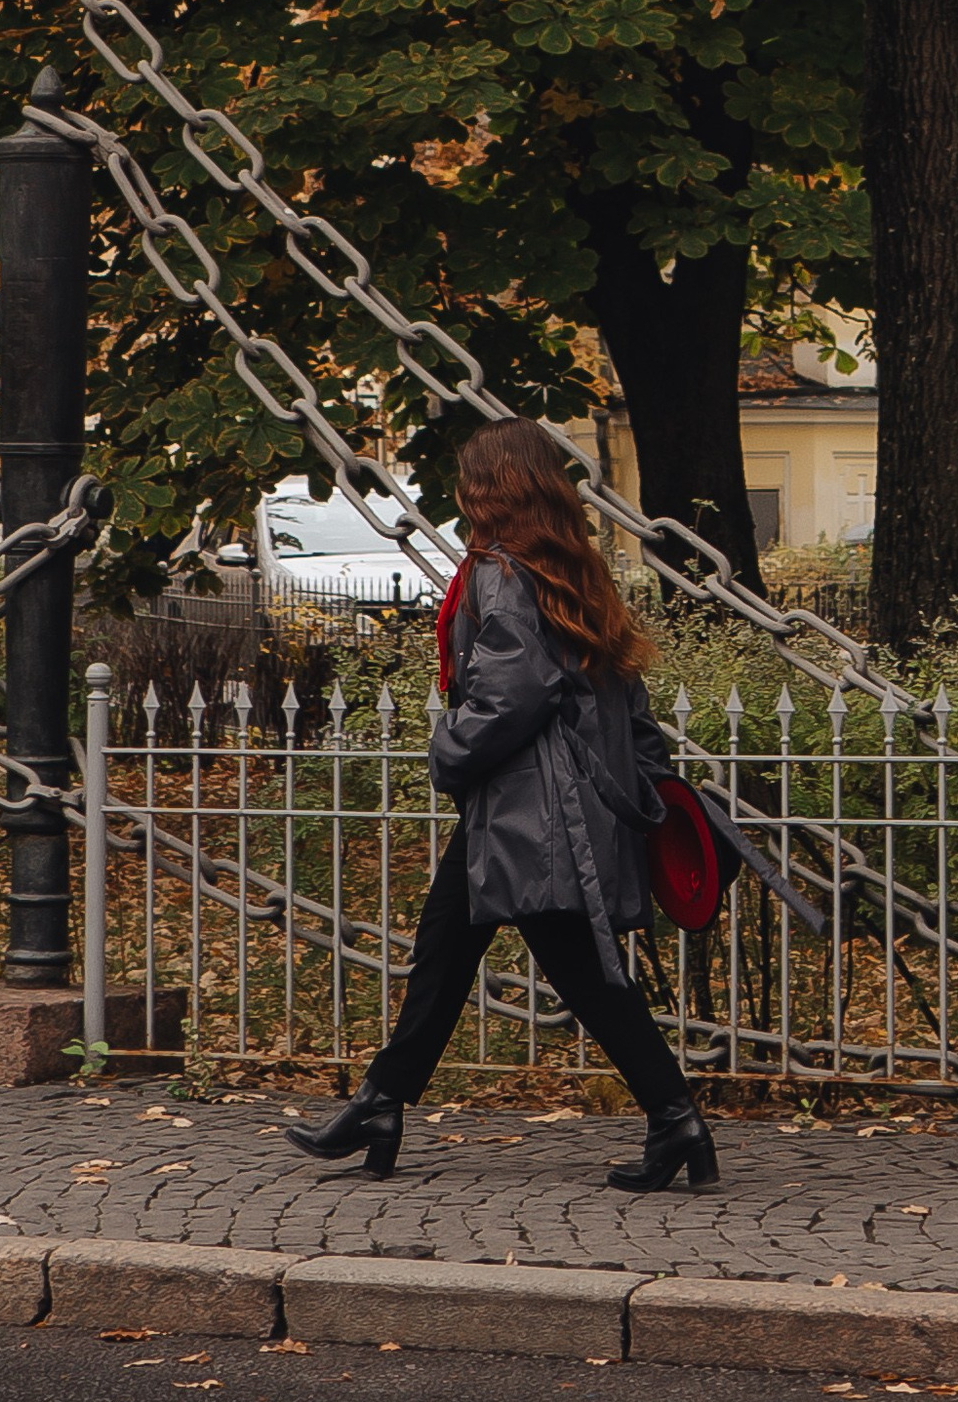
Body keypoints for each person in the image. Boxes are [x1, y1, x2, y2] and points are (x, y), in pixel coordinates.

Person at [287, 418, 719, 1194]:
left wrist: (447, 750)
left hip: (532, 814)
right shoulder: (571, 567)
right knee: (445, 947)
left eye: (469, 480)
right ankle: (381, 1103)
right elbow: (621, 694)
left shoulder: (503, 571)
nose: (459, 493)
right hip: (538, 810)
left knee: (580, 972)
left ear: (492, 488)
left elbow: (512, 693)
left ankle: (675, 1116)